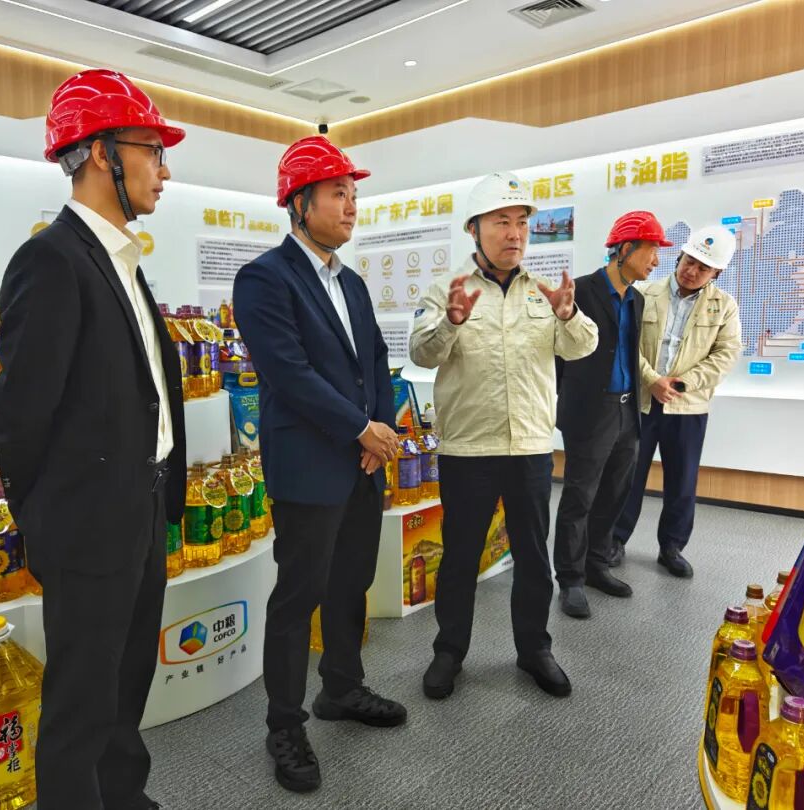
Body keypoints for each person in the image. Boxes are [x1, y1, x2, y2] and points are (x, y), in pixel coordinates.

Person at [0, 69, 187, 810]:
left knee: (128, 682)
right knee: (80, 702)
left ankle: (123, 797)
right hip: (87, 525)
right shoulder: (52, 259)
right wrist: (46, 526)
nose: (164, 171)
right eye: (152, 152)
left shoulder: (121, 260)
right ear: (103, 153)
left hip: (143, 507)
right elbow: (20, 415)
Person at [233, 136, 404, 794]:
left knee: (350, 581)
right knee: (297, 596)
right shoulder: (264, 278)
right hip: (308, 465)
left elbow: (375, 363)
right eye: (338, 193)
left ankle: (342, 687)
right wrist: (360, 428)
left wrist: (377, 432)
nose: (352, 205)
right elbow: (289, 373)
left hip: (361, 463)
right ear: (299, 204)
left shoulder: (351, 283)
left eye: (354, 194)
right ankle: (284, 724)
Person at [410, 172, 598, 701]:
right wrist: (450, 322)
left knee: (533, 556)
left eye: (521, 223)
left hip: (530, 446)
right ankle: (449, 651)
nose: (514, 233)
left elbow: (582, 346)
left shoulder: (544, 291)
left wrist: (569, 314)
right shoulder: (447, 289)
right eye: (501, 222)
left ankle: (535, 649)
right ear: (474, 229)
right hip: (468, 447)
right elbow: (422, 353)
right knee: (460, 556)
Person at [552, 211, 668, 619]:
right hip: (590, 410)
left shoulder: (637, 299)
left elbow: (631, 353)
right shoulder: (581, 291)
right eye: (651, 251)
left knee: (615, 492)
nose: (656, 261)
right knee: (580, 495)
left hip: (627, 409)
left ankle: (596, 564)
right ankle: (570, 579)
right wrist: (565, 400)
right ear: (626, 249)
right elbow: (558, 355)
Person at [612, 225, 742, 578]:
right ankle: (615, 540)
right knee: (627, 475)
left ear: (716, 273)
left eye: (703, 267)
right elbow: (625, 343)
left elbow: (726, 355)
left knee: (682, 481)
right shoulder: (644, 293)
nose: (692, 271)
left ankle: (672, 547)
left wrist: (682, 384)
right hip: (641, 401)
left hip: (687, 406)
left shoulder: (724, 306)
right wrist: (652, 380)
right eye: (689, 261)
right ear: (680, 257)